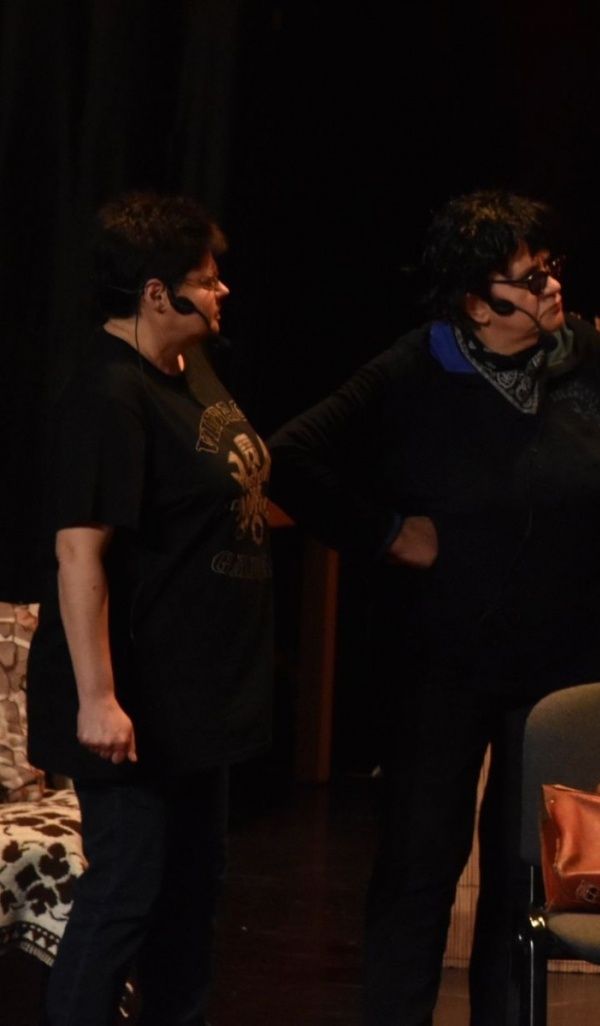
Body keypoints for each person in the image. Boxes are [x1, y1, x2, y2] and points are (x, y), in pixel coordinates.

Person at [268, 190, 600, 1026]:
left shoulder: (588, 357)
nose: (553, 287)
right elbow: (291, 455)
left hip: (563, 656)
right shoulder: (417, 365)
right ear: (479, 303)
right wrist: (387, 533)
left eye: (552, 269)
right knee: (419, 860)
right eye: (531, 277)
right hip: (441, 656)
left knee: (523, 869)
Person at [27, 193, 272, 1026]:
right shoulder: (109, 394)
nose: (221, 290)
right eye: (205, 280)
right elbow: (78, 554)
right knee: (126, 893)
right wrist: (99, 697)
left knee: (192, 897)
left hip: (199, 699)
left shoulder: (188, 366)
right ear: (155, 294)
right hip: (135, 700)